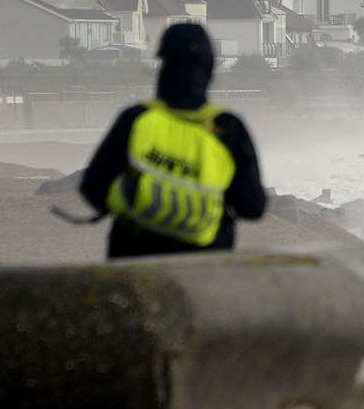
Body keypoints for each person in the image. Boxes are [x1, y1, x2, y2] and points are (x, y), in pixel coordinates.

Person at [79, 23, 266, 258]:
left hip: (134, 265)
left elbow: (92, 188)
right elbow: (253, 208)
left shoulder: (136, 119)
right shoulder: (227, 128)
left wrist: (137, 203)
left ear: (162, 66)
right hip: (203, 267)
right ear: (209, 70)